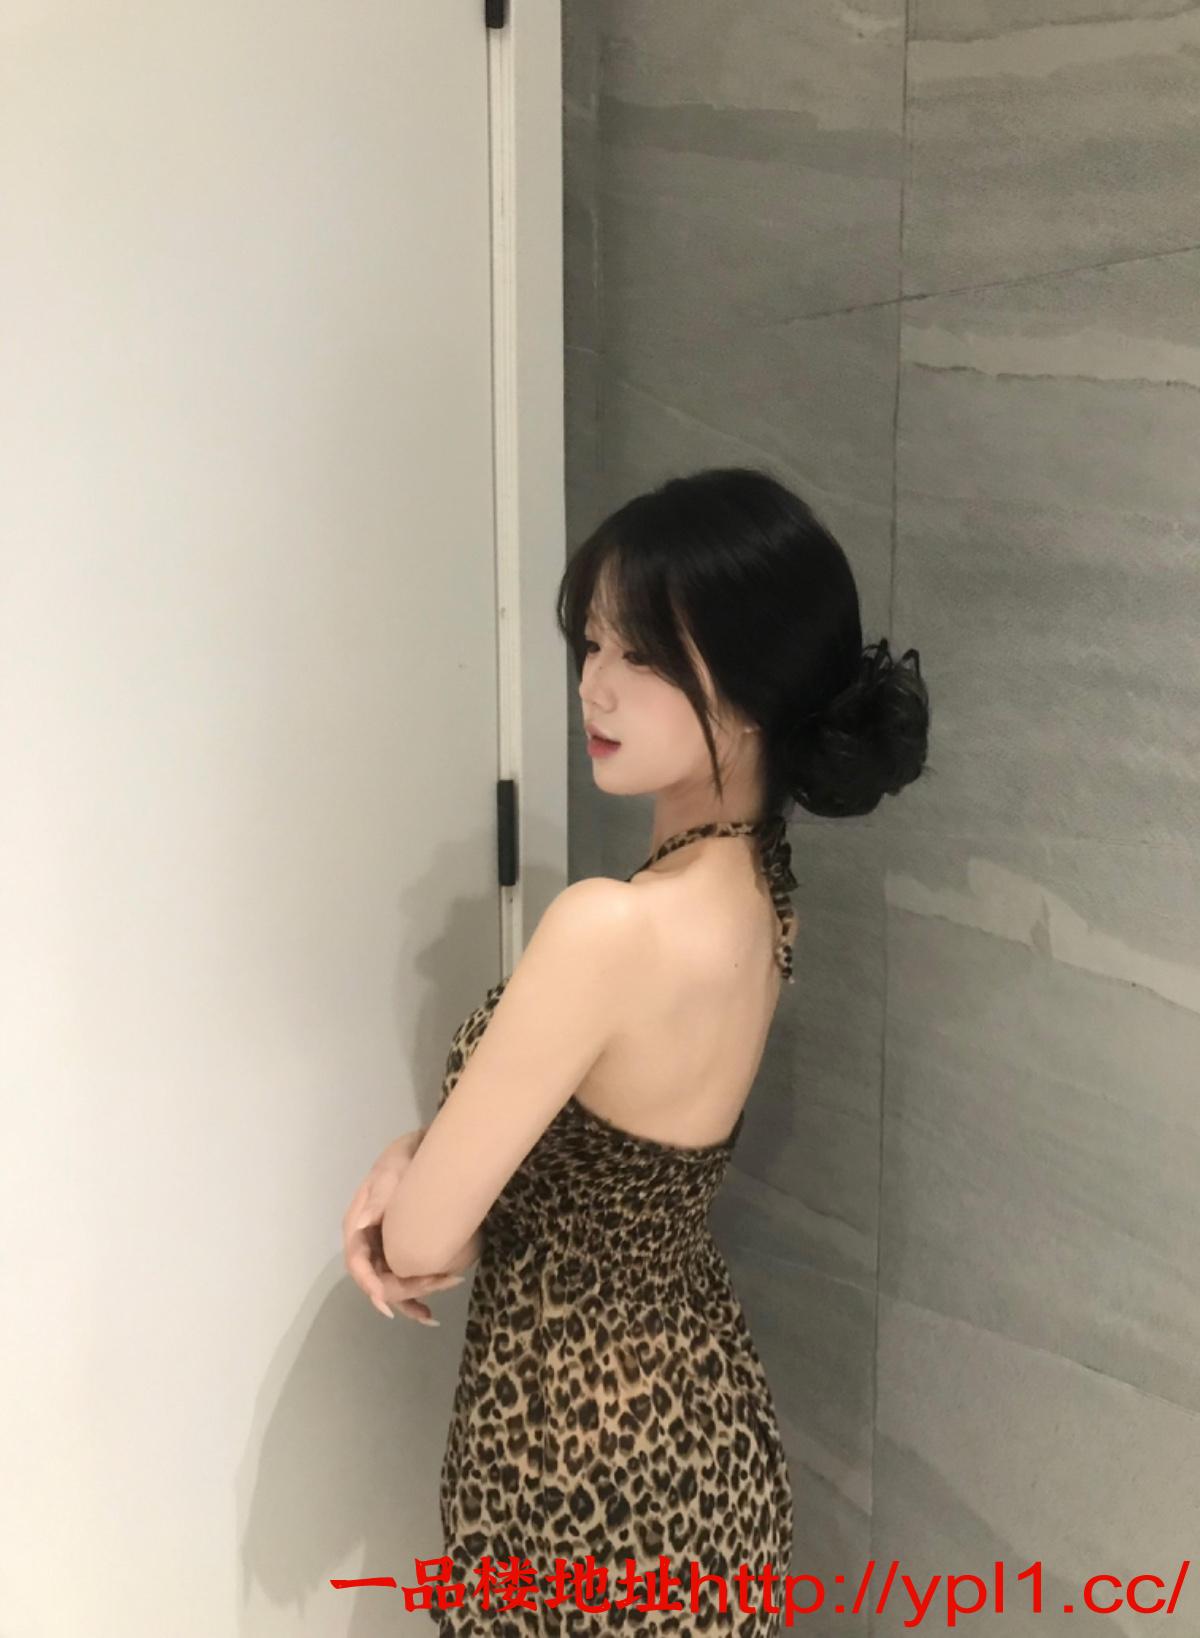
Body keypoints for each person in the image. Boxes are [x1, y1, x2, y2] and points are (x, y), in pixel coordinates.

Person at [343, 466, 930, 1633]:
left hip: (572, 1457)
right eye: (593, 642)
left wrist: (415, 1174)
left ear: (753, 687)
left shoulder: (608, 929)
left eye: (643, 654)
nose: (594, 684)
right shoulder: (764, 898)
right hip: (708, 1438)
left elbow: (420, 1244)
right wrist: (434, 1152)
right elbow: (609, 1168)